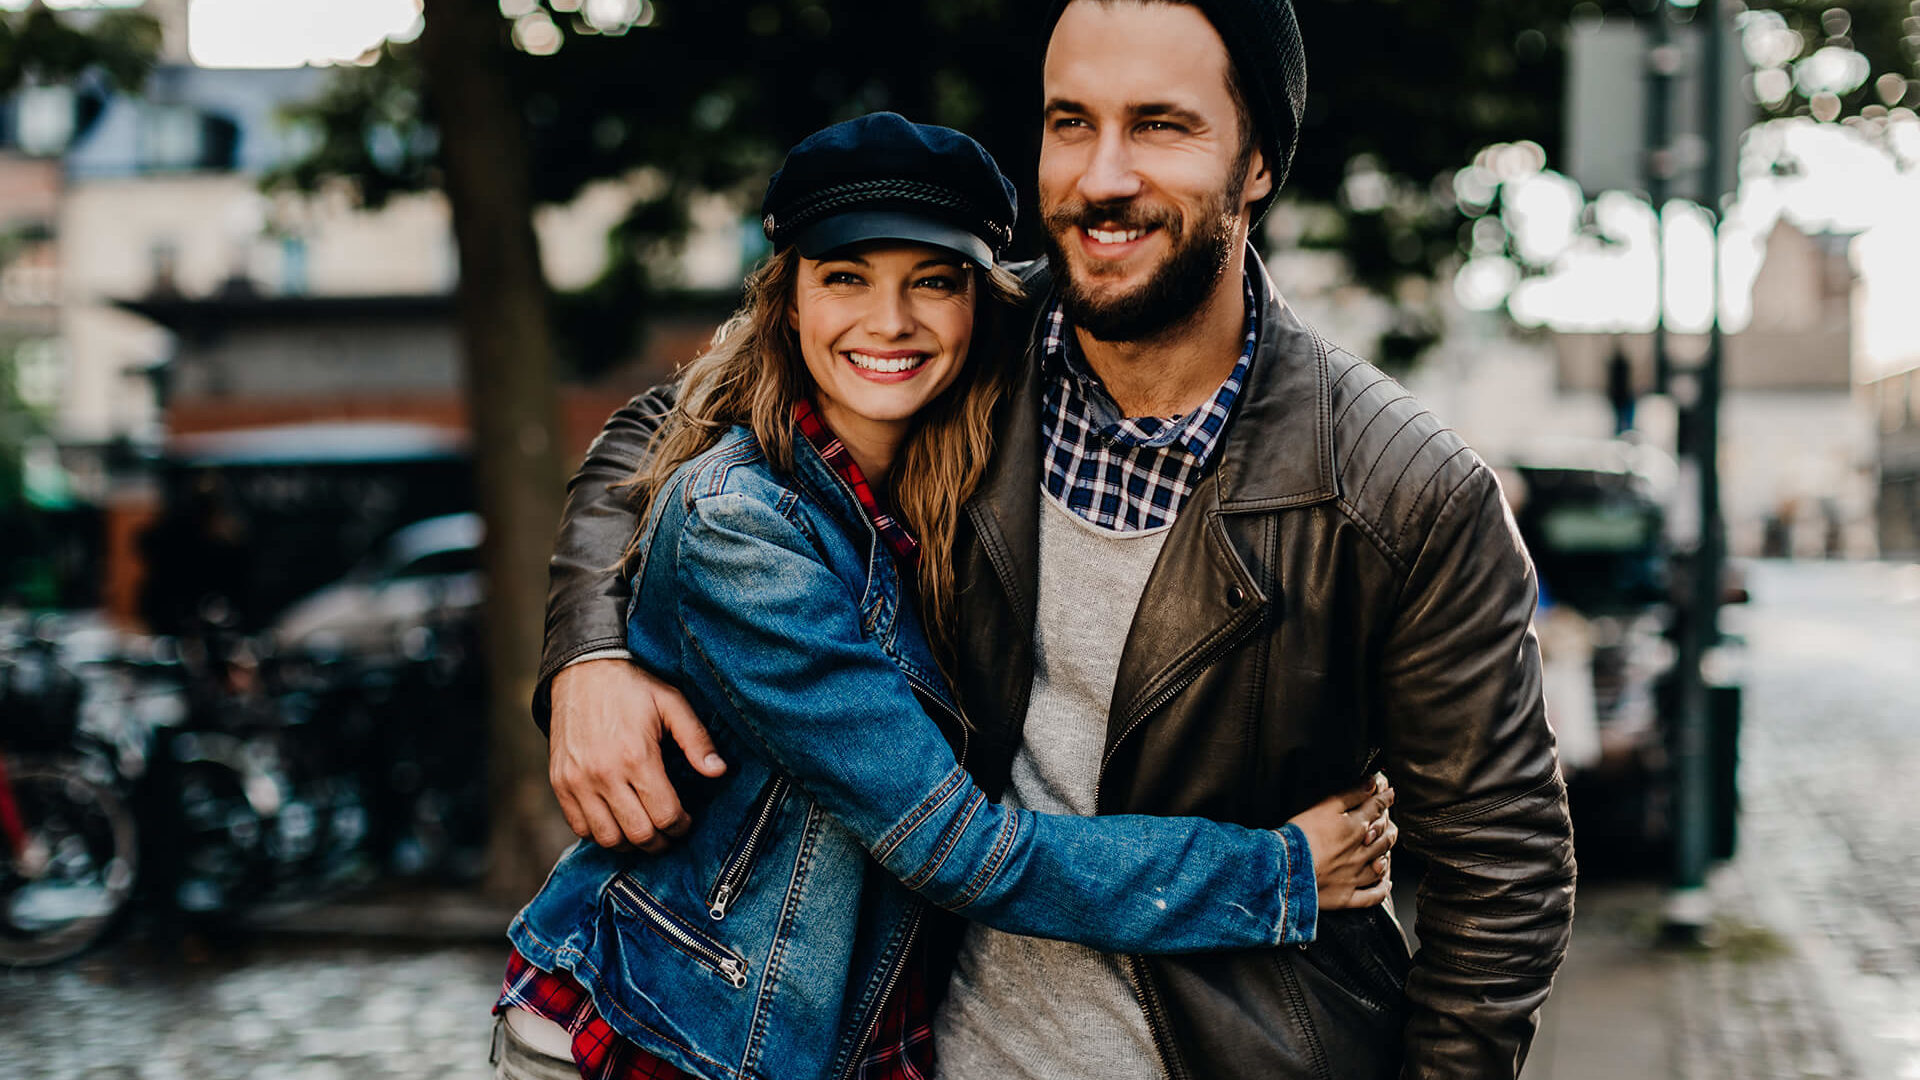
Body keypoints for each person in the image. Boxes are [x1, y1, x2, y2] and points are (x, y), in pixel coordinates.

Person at [539, 2, 1578, 1077]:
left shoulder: (1401, 489)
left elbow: (1505, 873)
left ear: (1259, 161)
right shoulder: (960, 339)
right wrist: (591, 653)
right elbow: (672, 430)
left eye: (1162, 126)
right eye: (1072, 123)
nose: (1103, 176)